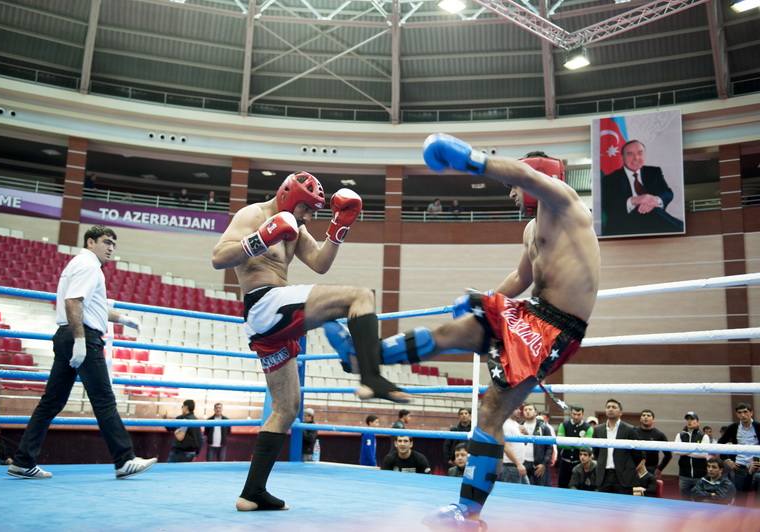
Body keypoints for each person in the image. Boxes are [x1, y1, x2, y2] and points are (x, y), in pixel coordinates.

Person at [326, 134, 600, 531]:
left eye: (515, 188)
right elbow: (522, 276)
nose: (511, 194)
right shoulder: (531, 228)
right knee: (453, 330)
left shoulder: (566, 204)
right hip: (531, 313)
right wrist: (489, 299)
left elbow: (524, 174)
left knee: (490, 410)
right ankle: (361, 357)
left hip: (555, 329)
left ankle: (468, 515)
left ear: (537, 179)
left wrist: (471, 160)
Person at [211, 171, 406, 512]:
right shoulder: (253, 215)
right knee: (359, 296)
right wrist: (258, 239)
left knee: (286, 409)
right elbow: (217, 257)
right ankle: (369, 374)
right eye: (307, 209)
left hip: (271, 321)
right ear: (288, 197)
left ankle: (252, 492)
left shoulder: (296, 228)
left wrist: (339, 227)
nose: (309, 216)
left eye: (316, 211)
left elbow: (319, 264)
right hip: (263, 302)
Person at [7, 225, 156, 480]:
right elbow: (73, 302)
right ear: (90, 242)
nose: (111, 247)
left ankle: (23, 461)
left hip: (70, 335)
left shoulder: (80, 265)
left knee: (51, 402)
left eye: (114, 244)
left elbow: (90, 306)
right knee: (104, 399)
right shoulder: (89, 266)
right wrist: (79, 340)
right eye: (106, 242)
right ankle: (124, 459)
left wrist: (123, 318)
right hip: (82, 337)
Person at [601, 139, 683, 236]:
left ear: (645, 155)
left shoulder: (653, 172)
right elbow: (610, 207)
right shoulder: (610, 179)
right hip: (625, 227)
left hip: (653, 223)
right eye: (630, 154)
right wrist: (635, 200)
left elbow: (667, 193)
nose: (636, 158)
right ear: (622, 157)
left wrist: (653, 201)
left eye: (640, 153)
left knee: (652, 211)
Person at [592, 399, 642, 495]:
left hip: (623, 476)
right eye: (608, 407)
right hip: (604, 475)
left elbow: (637, 454)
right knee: (603, 507)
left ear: (621, 412)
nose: (610, 409)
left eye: (614, 407)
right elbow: (596, 452)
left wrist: (627, 466)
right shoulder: (598, 429)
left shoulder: (630, 429)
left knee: (624, 507)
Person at [718, 402, 760, 504]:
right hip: (740, 467)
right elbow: (720, 443)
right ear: (737, 414)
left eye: (745, 412)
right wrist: (727, 459)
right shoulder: (733, 427)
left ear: (751, 413)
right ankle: (740, 518)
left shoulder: (758, 427)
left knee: (758, 498)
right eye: (740, 413)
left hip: (757, 467)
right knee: (740, 498)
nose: (743, 415)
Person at [556, 404, 593, 488]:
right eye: (574, 414)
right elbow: (561, 443)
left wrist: (569, 442)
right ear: (571, 413)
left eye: (579, 414)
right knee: (562, 488)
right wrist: (578, 443)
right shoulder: (564, 425)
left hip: (580, 463)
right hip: (565, 463)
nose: (576, 417)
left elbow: (586, 447)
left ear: (583, 414)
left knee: (579, 488)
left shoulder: (588, 428)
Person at [676, 411, 710, 500]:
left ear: (698, 422)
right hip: (684, 476)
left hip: (700, 475)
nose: (689, 421)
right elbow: (676, 451)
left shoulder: (704, 436)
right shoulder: (680, 435)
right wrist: (695, 450)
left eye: (692, 419)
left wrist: (685, 450)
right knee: (685, 502)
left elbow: (703, 454)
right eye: (687, 419)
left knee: (700, 500)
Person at [520, 403, 553, 487]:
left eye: (530, 409)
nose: (527, 411)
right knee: (522, 489)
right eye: (525, 410)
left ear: (536, 412)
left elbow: (549, 448)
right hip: (523, 463)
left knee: (541, 490)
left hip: (539, 464)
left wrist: (544, 464)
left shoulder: (544, 427)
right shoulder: (519, 426)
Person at [634, 409, 673, 479]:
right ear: (640, 419)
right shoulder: (634, 432)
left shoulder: (659, 435)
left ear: (653, 419)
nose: (645, 417)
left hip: (651, 469)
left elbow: (668, 455)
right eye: (643, 415)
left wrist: (659, 469)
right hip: (635, 468)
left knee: (650, 489)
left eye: (648, 415)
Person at [499, 409, 529, 485]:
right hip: (510, 466)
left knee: (526, 491)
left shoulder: (516, 424)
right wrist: (518, 464)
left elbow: (523, 444)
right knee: (514, 494)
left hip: (517, 465)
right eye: (516, 408)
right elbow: (506, 447)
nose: (519, 411)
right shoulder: (506, 425)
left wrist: (526, 433)